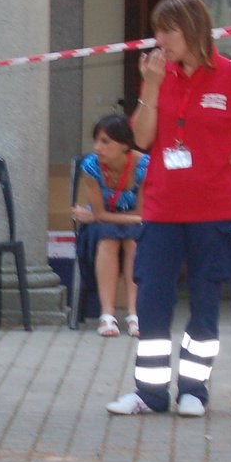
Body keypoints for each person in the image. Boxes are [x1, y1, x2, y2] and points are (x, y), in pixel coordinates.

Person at [107, 0, 231, 417]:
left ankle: (194, 389)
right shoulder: (158, 76)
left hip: (217, 209)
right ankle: (150, 393)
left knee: (205, 300)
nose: (159, 39)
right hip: (162, 210)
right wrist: (152, 87)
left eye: (167, 30)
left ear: (192, 29)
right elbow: (140, 140)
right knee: (152, 301)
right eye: (156, 30)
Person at [70, 113, 148, 338]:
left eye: (105, 142)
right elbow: (102, 214)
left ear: (124, 144)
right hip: (101, 227)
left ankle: (135, 314)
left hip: (124, 223)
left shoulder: (144, 165)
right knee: (108, 237)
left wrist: (94, 216)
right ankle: (107, 315)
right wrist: (99, 217)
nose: (97, 147)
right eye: (96, 141)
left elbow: (141, 212)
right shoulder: (91, 167)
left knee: (133, 240)